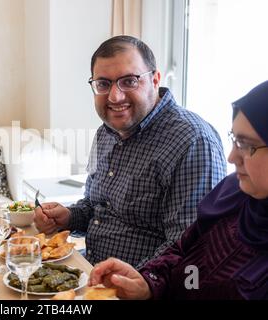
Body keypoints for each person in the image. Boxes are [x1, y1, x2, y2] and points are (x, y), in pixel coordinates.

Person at [34, 35, 227, 267]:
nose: (115, 96)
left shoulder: (193, 142)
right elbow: (99, 207)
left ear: (155, 80)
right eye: (103, 84)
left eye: (129, 81)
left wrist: (138, 281)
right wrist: (68, 216)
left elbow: (191, 247)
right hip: (91, 270)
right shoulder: (107, 131)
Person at [88, 80, 268, 300]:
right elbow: (183, 251)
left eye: (247, 145)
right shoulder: (233, 193)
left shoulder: (192, 139)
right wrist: (148, 283)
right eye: (234, 140)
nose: (232, 157)